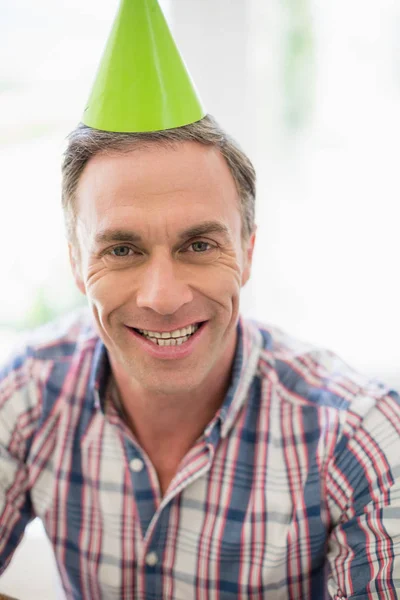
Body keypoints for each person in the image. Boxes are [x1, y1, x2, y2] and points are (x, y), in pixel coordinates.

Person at [1, 1, 399, 599]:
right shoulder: (24, 397)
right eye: (122, 250)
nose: (162, 297)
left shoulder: (360, 438)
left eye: (199, 244)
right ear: (77, 267)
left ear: (247, 250)